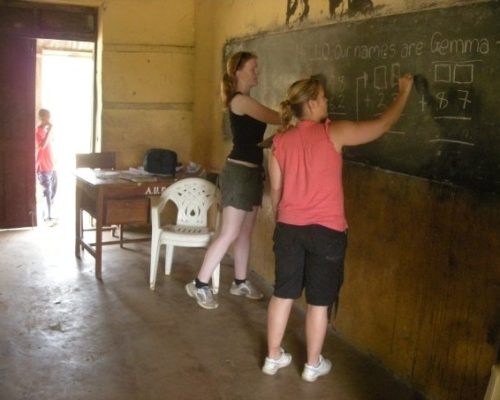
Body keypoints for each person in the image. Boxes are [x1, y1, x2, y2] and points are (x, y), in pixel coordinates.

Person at [262, 74, 414, 381]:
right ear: (313, 103)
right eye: (324, 96)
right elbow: (383, 125)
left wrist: (284, 219)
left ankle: (272, 357)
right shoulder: (334, 132)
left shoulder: (279, 141)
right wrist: (404, 92)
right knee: (318, 302)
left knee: (283, 294)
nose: (328, 101)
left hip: (289, 228)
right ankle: (311, 364)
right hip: (327, 232)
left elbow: (275, 191)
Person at [185, 51, 281, 310]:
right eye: (252, 68)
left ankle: (240, 282)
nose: (256, 73)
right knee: (229, 232)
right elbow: (278, 118)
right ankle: (200, 284)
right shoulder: (240, 101)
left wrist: (274, 141)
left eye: (257, 68)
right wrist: (296, 107)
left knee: (245, 233)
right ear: (237, 72)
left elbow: (253, 142)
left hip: (252, 172)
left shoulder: (247, 101)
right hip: (238, 174)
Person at [35, 108, 58, 225]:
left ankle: (48, 214)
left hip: (51, 165)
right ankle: (48, 217)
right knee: (47, 192)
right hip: (43, 166)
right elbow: (42, 145)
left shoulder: (45, 130)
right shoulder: (38, 131)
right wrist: (50, 131)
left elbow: (50, 145)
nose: (49, 120)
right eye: (46, 117)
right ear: (41, 118)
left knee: (53, 191)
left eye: (49, 117)